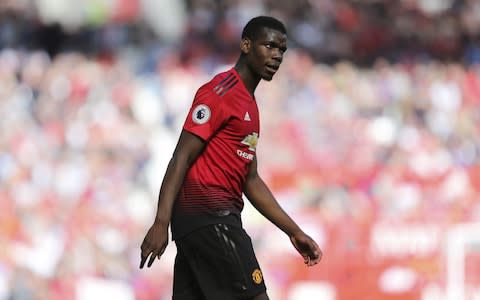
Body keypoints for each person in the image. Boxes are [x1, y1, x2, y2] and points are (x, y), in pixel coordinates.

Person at [140, 16, 322, 300]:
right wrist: (161, 221)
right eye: (269, 46)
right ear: (246, 45)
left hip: (201, 224)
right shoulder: (220, 92)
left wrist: (293, 231)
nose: (276, 56)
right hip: (212, 219)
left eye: (282, 50)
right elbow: (181, 156)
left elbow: (250, 180)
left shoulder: (249, 105)